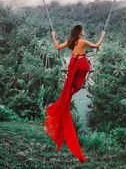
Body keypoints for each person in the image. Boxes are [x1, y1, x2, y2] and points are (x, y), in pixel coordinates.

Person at [44, 25, 105, 163]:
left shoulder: (71, 41)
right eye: (82, 30)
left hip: (73, 65)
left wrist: (53, 36)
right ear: (79, 32)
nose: (84, 32)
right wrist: (102, 36)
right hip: (81, 65)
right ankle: (79, 84)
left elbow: (58, 47)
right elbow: (96, 46)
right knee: (79, 80)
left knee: (69, 89)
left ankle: (72, 89)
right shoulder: (83, 42)